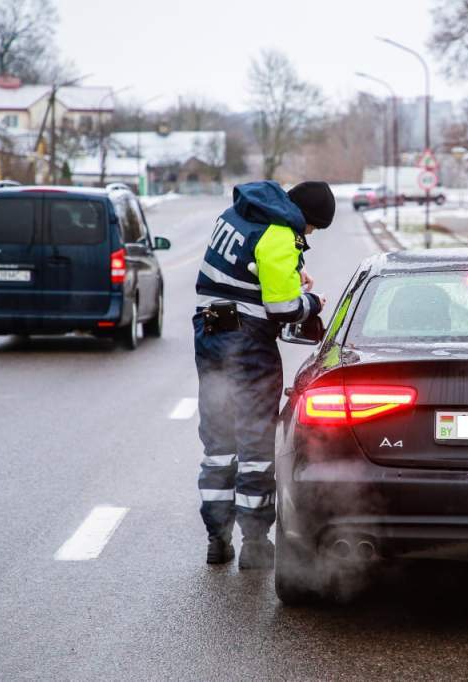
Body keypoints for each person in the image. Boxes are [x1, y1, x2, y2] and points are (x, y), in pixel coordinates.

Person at [193, 180, 335, 569]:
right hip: (249, 344)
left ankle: (216, 538)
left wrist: (294, 273)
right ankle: (255, 544)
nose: (308, 235)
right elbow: (282, 307)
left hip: (209, 334)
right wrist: (311, 301)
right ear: (305, 218)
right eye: (312, 228)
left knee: (218, 443)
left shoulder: (238, 215)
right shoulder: (279, 235)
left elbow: (242, 273)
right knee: (255, 445)